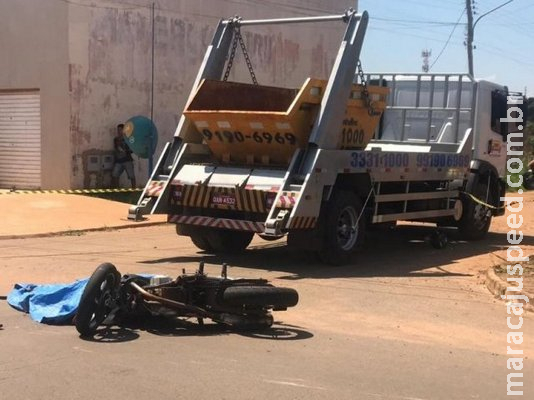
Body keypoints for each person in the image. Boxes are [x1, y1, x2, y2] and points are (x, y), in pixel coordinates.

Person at [111, 123, 136, 188]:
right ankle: (117, 190)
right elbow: (116, 148)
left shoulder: (128, 139)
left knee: (131, 176)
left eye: (120, 130)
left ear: (123, 130)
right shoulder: (116, 139)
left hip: (127, 160)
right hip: (118, 161)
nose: (119, 131)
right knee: (115, 175)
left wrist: (126, 151)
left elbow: (132, 149)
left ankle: (134, 190)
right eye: (118, 130)